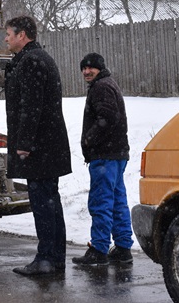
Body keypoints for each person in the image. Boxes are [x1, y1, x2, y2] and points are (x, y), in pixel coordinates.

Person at [4, 16, 72, 276]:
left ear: (22, 35)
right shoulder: (37, 58)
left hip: (40, 148)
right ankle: (55, 258)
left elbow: (32, 106)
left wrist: (24, 143)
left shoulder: (31, 61)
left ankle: (45, 259)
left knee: (43, 203)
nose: (6, 39)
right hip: (48, 145)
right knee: (50, 202)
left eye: (9, 34)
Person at [72, 52, 134, 265]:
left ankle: (99, 249)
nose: (86, 71)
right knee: (117, 201)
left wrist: (89, 140)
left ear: (100, 68)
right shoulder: (107, 84)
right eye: (83, 68)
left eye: (91, 67)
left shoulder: (101, 87)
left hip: (105, 156)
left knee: (101, 202)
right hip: (116, 154)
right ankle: (123, 248)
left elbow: (107, 118)